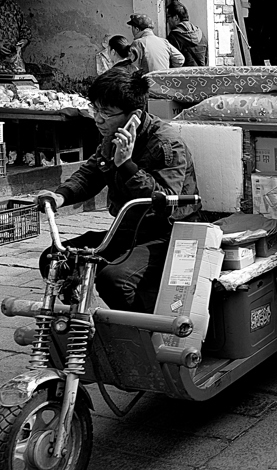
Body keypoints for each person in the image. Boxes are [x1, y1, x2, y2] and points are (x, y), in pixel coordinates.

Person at [35, 67, 201, 314]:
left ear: (134, 115)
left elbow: (165, 198)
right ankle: (81, 314)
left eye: (106, 113)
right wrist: (61, 195)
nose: (98, 119)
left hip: (167, 234)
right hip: (128, 230)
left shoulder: (166, 143)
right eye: (95, 109)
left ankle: (145, 333)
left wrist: (127, 165)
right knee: (53, 260)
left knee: (114, 280)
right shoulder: (112, 136)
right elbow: (92, 172)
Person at [166, 1, 208, 66]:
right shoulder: (201, 34)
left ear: (176, 17)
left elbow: (172, 62)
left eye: (168, 17)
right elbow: (205, 59)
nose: (167, 21)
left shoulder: (174, 36)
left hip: (184, 75)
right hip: (201, 74)